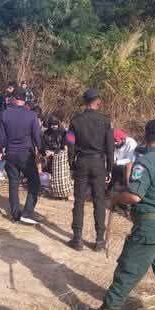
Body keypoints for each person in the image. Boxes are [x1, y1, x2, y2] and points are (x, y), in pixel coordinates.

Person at [72, 119, 155, 310]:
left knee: (128, 270)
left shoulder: (145, 162)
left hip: (150, 228)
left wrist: (115, 198)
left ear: (146, 136)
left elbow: (134, 196)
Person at [67, 88, 113, 252]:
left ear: (84, 102)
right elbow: (110, 147)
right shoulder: (106, 121)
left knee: (79, 201)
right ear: (98, 102)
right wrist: (109, 168)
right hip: (99, 163)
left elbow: (70, 143)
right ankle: (99, 240)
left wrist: (71, 164)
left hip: (82, 162)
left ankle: (77, 238)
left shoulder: (75, 121)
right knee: (99, 201)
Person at [0, 88, 41, 224]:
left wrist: (0, 150)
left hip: (10, 153)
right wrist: (41, 151)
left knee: (13, 183)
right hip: (25, 154)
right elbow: (37, 136)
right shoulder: (31, 115)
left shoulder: (4, 114)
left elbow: (1, 137)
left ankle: (15, 214)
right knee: (34, 182)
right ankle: (27, 212)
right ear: (24, 99)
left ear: (14, 99)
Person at [42, 116, 72, 200]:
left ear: (58, 124)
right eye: (52, 124)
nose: (54, 126)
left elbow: (65, 146)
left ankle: (65, 193)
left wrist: (54, 153)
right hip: (49, 156)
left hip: (61, 158)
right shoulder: (46, 134)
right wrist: (46, 151)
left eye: (55, 124)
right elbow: (43, 145)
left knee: (63, 176)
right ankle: (54, 192)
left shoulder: (64, 132)